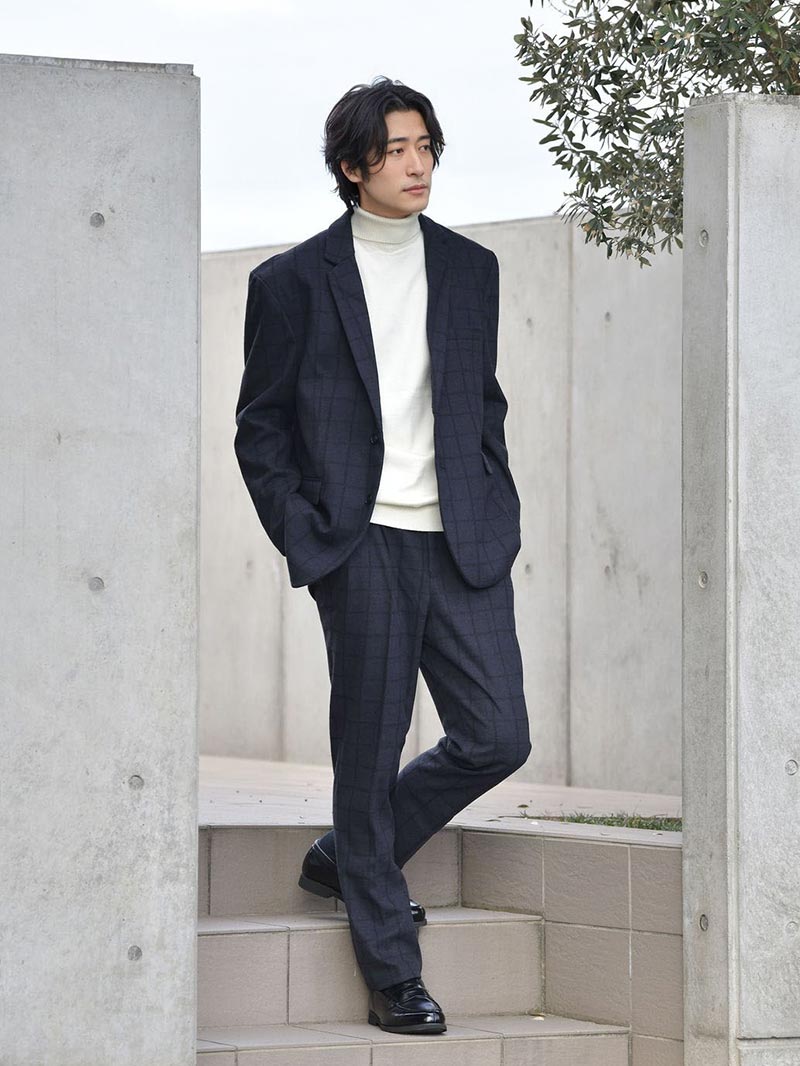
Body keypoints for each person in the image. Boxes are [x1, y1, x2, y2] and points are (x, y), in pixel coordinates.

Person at [234, 75, 531, 1037]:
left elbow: (481, 404)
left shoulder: (471, 270)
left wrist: (495, 503)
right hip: (358, 543)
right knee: (367, 752)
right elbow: (260, 428)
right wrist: (309, 536)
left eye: (426, 146)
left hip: (460, 540)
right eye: (397, 149)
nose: (417, 164)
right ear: (352, 165)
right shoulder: (290, 283)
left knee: (497, 734)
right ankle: (393, 973)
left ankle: (348, 857)